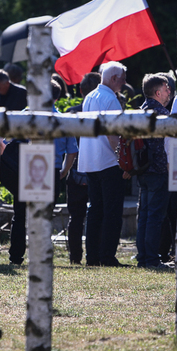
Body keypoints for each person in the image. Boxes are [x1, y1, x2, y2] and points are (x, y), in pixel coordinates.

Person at [78, 61, 127, 267]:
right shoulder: (111, 99)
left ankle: (93, 256)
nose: (124, 83)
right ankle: (107, 255)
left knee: (95, 210)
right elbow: (113, 134)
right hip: (107, 161)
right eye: (123, 79)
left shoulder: (90, 96)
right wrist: (121, 159)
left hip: (90, 160)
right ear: (114, 79)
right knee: (112, 211)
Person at [135, 73, 171, 270]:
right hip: (158, 170)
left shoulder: (140, 111)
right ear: (157, 92)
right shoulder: (162, 114)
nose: (169, 92)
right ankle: (151, 259)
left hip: (142, 169)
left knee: (145, 215)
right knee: (155, 217)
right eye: (166, 89)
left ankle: (143, 257)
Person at [65, 73, 99, 264]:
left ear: (80, 91)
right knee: (96, 214)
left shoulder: (71, 113)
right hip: (97, 169)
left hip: (75, 170)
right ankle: (94, 255)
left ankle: (74, 258)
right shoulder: (102, 115)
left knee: (75, 218)